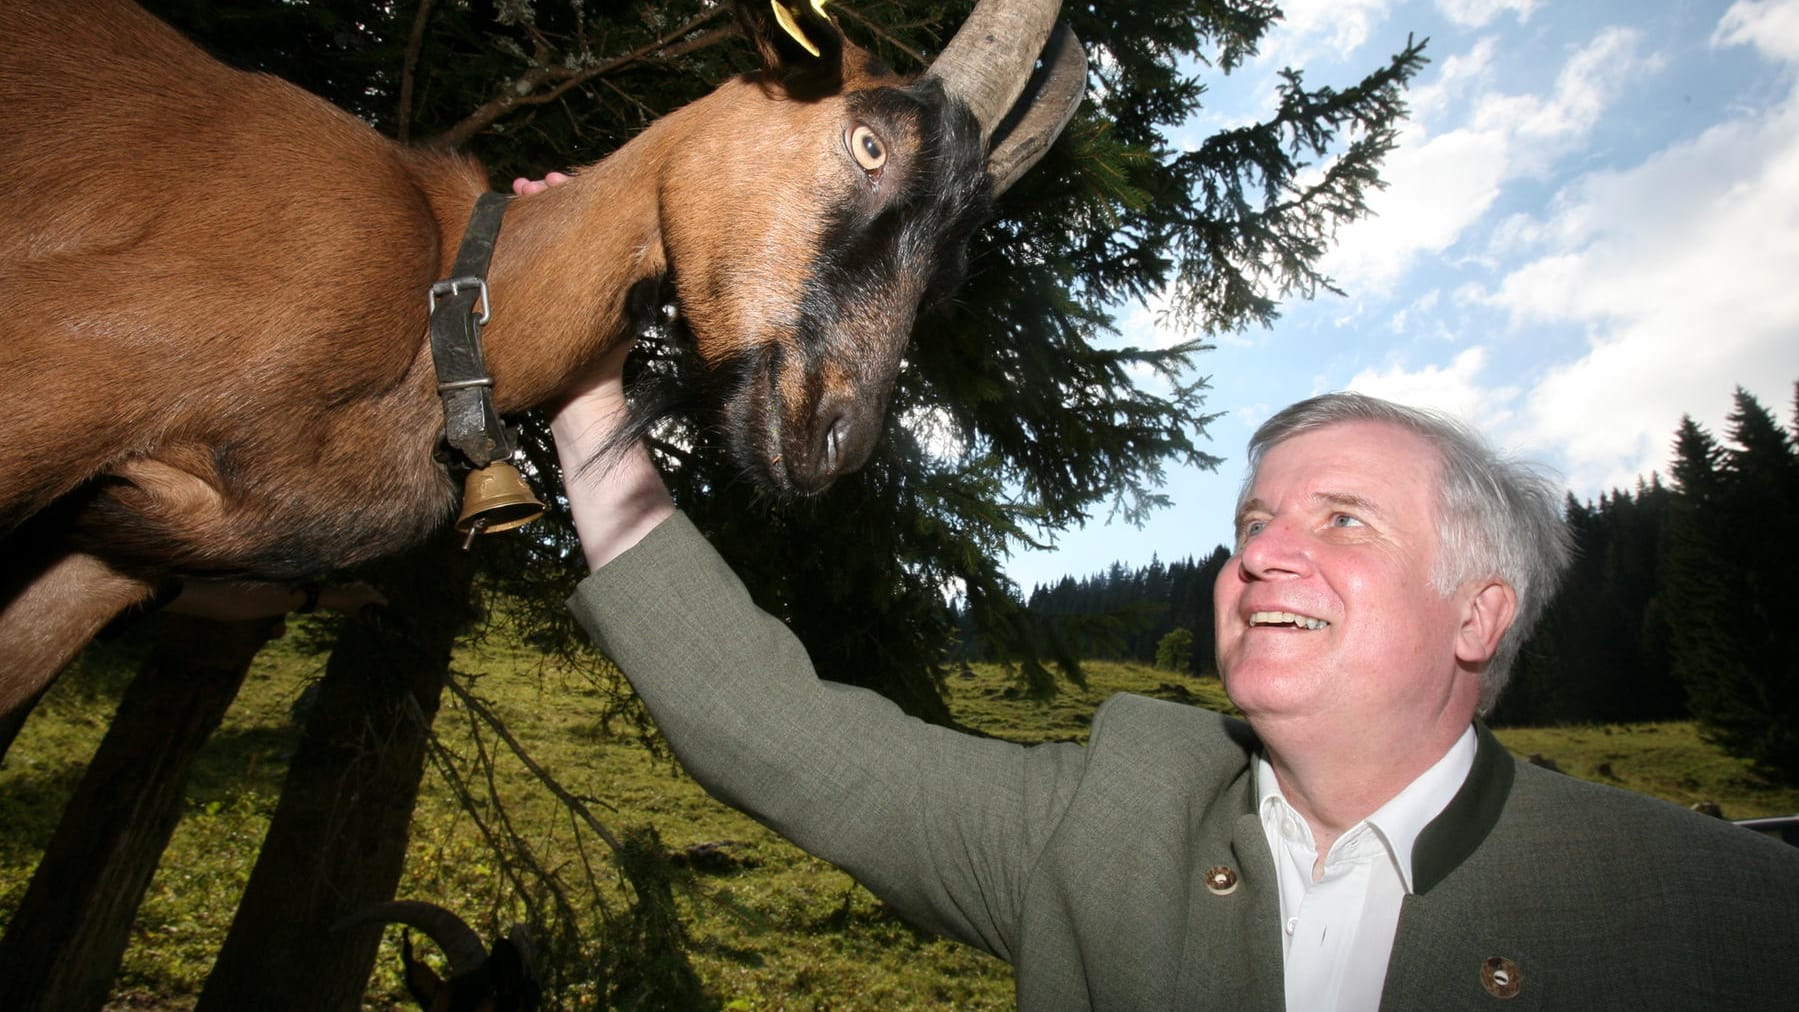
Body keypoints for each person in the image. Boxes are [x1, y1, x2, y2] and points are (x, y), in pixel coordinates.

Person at [525, 182, 1799, 1008]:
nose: (1256, 554)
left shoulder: (1716, 916)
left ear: (1479, 614)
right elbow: (785, 736)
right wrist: (587, 403)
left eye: (1339, 520)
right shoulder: (1106, 824)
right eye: (1251, 522)